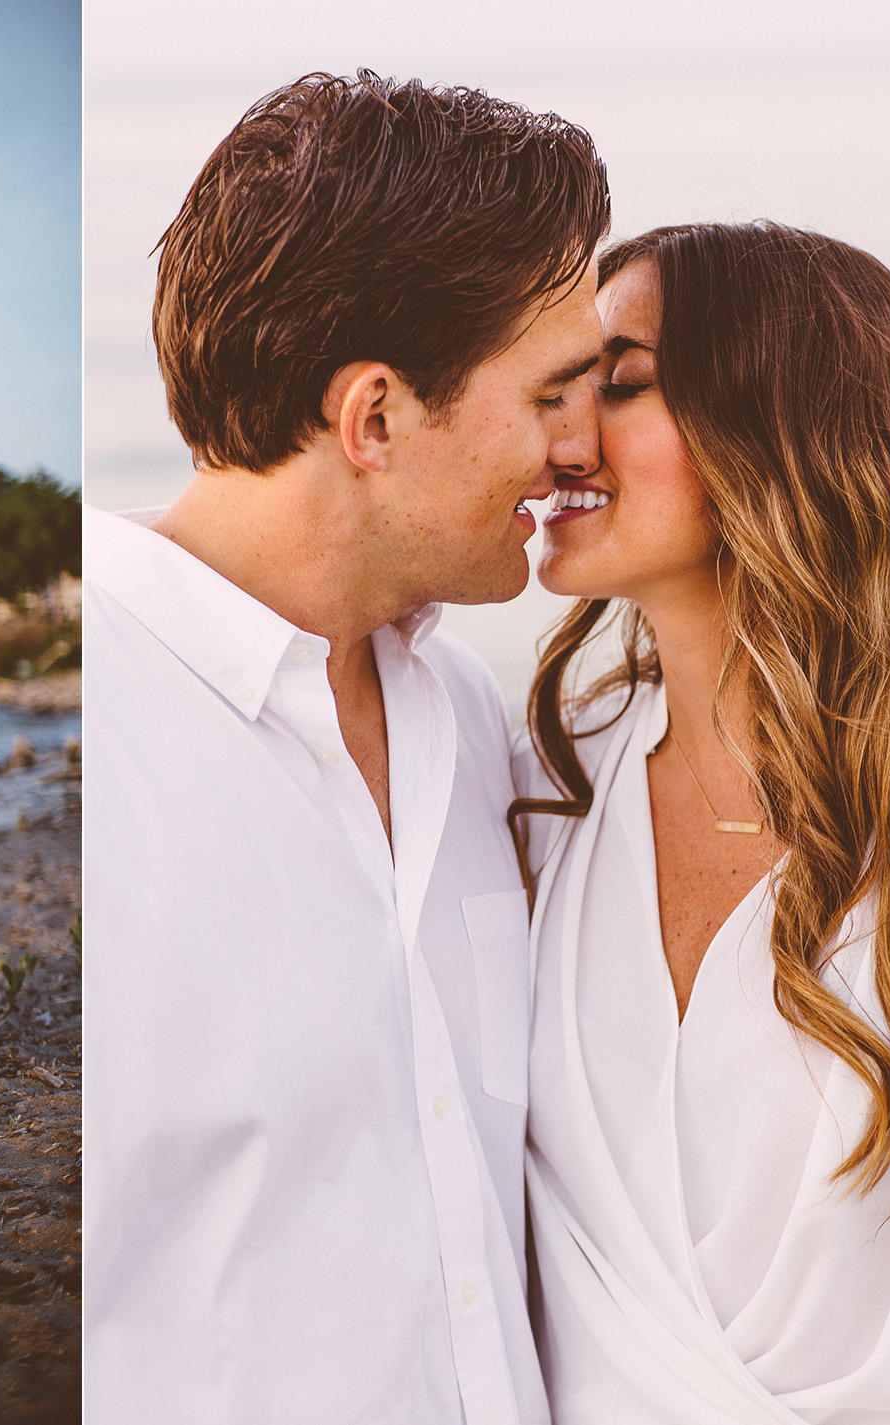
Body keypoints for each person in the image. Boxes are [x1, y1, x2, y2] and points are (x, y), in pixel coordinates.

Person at [84, 71, 608, 1422]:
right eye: (553, 394)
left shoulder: (469, 720)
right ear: (375, 418)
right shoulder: (102, 728)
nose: (579, 446)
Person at [512, 222, 890, 1421]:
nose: (557, 438)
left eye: (622, 383)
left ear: (791, 431)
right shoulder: (546, 794)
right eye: (557, 388)